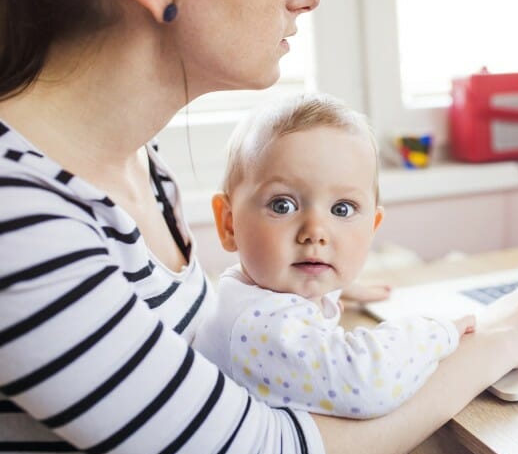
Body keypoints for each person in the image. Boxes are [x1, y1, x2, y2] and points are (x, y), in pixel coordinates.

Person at [0, 0, 518, 454]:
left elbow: (173, 352)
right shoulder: (19, 217)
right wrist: (500, 338)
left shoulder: (139, 162)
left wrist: (309, 281)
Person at [193, 94, 476, 418]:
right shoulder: (260, 327)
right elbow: (367, 382)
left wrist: (336, 287)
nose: (315, 231)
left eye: (342, 209)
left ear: (372, 226)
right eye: (282, 205)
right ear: (229, 224)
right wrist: (437, 331)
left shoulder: (251, 293)